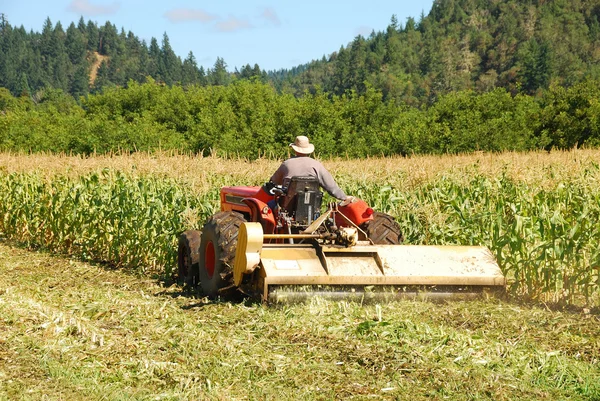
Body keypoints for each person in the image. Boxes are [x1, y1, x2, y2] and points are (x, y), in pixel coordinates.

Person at [269, 135, 349, 201]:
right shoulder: (317, 165)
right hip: (311, 207)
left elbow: (273, 181)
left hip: (287, 206)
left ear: (295, 149)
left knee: (269, 204)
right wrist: (344, 197)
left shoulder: (286, 164)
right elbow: (331, 187)